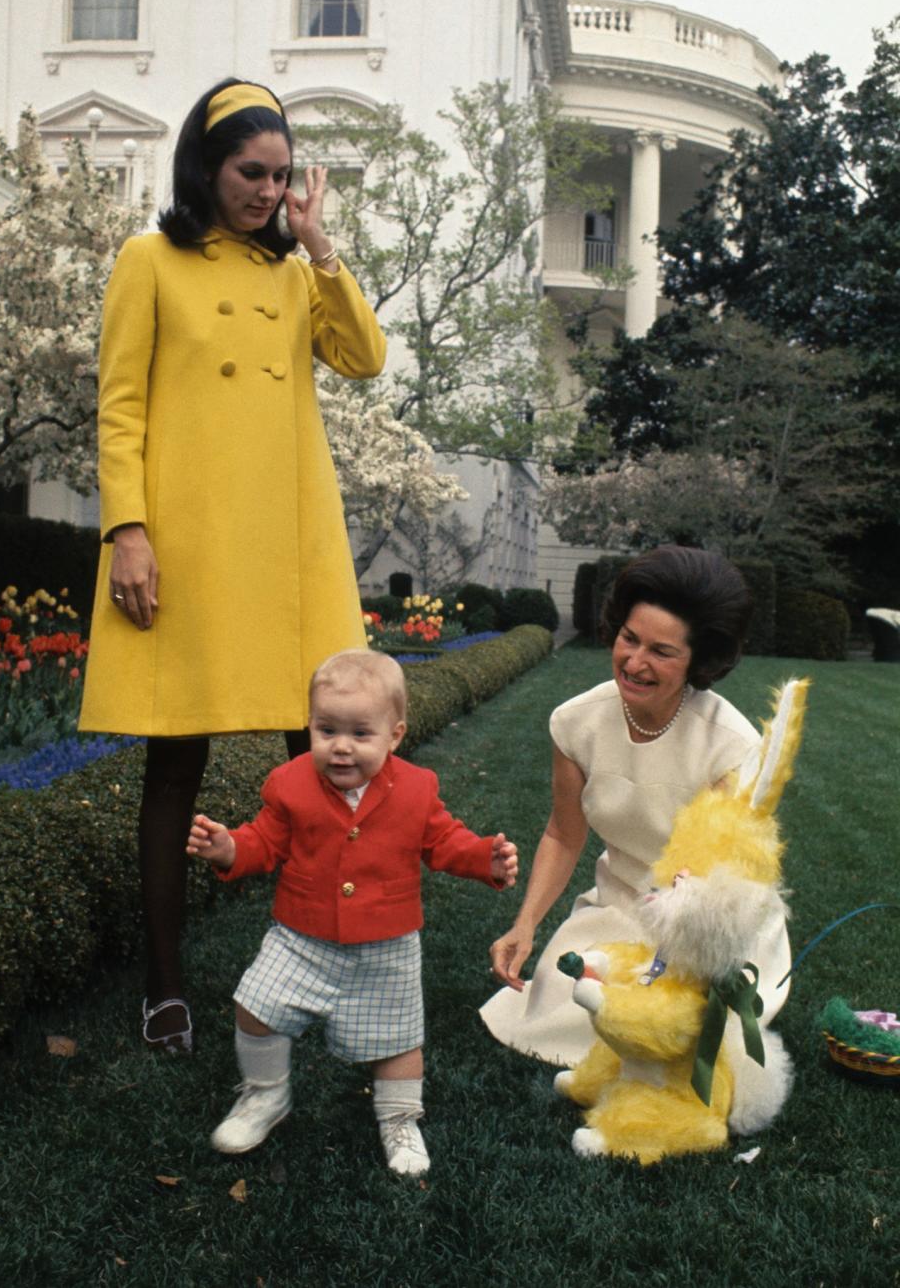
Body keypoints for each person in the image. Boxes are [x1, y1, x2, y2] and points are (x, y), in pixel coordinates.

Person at [79, 78, 387, 1055]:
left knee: (326, 762)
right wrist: (127, 530)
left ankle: (319, 972)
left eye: (283, 176)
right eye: (252, 173)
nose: (268, 191)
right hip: (190, 544)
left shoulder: (298, 273)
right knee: (176, 762)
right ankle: (164, 986)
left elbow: (365, 358)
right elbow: (121, 404)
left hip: (292, 544)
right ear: (206, 169)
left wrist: (322, 245)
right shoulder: (150, 260)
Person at [186, 649, 519, 1175]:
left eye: (360, 734)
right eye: (326, 730)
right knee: (255, 1003)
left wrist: (486, 860)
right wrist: (229, 848)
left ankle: (400, 1119)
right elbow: (264, 841)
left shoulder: (416, 788)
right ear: (311, 728)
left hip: (386, 945)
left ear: (395, 735)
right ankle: (265, 1094)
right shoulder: (289, 783)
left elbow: (445, 842)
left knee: (398, 1041)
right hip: (300, 935)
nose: (341, 747)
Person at [480, 545, 791, 1067]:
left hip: (699, 920)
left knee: (665, 1028)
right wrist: (526, 924)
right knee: (563, 995)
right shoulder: (575, 723)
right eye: (630, 638)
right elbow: (563, 833)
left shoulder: (729, 745)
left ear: (699, 661)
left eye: (662, 652)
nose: (635, 662)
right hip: (620, 902)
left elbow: (717, 879)